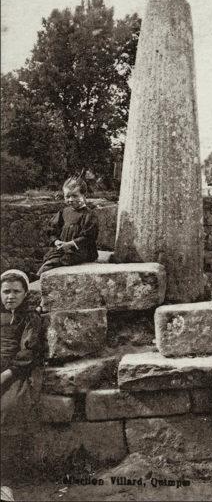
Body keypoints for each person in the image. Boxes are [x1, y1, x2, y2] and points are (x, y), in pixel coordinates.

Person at [1, 269, 44, 493]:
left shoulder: (31, 317)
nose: (10, 296)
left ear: (25, 293)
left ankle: (5, 481)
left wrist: (6, 374)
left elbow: (28, 353)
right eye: (6, 291)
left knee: (7, 411)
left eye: (16, 291)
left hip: (18, 372)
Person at [37, 175, 98, 275]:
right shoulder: (64, 212)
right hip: (64, 248)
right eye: (67, 196)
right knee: (50, 257)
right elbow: (52, 229)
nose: (70, 199)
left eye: (75, 196)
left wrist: (70, 244)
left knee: (58, 261)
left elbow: (88, 237)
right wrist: (56, 241)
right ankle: (38, 276)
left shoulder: (88, 215)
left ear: (84, 196)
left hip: (82, 251)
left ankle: (38, 277)